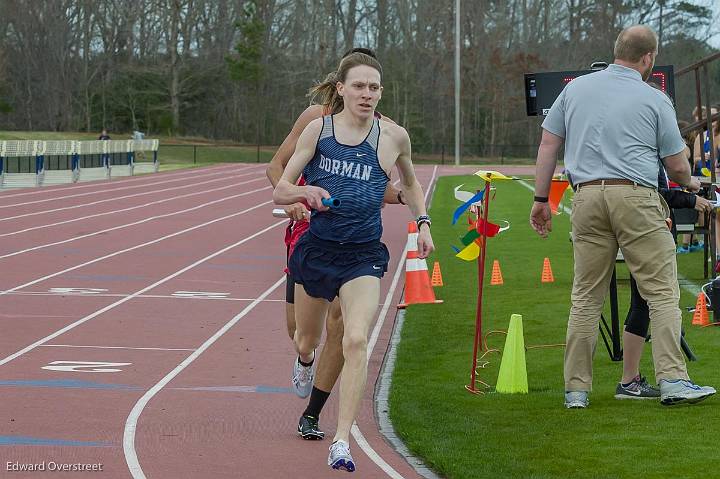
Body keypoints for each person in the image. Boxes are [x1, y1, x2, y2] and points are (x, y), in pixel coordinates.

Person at [530, 24, 715, 408]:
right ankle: (673, 381)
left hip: (585, 197)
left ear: (616, 50)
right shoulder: (654, 97)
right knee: (662, 293)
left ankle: (576, 391)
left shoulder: (575, 89)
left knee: (585, 298)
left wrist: (541, 198)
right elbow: (678, 168)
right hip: (635, 197)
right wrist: (695, 185)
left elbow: (548, 144)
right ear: (649, 58)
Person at [273, 52, 433, 471]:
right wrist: (304, 195)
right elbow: (281, 187)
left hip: (363, 255)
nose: (367, 94)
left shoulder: (394, 136)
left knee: (356, 338)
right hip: (318, 249)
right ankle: (305, 361)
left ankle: (341, 440)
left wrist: (424, 223)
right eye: (359, 86)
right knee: (305, 338)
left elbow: (411, 185)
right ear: (341, 89)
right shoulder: (318, 129)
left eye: (374, 87)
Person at [616, 165, 713, 399]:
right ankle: (672, 379)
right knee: (661, 300)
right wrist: (691, 200)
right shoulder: (647, 150)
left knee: (640, 304)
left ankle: (629, 381)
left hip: (636, 224)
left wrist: (686, 187)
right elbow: (656, 194)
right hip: (650, 227)